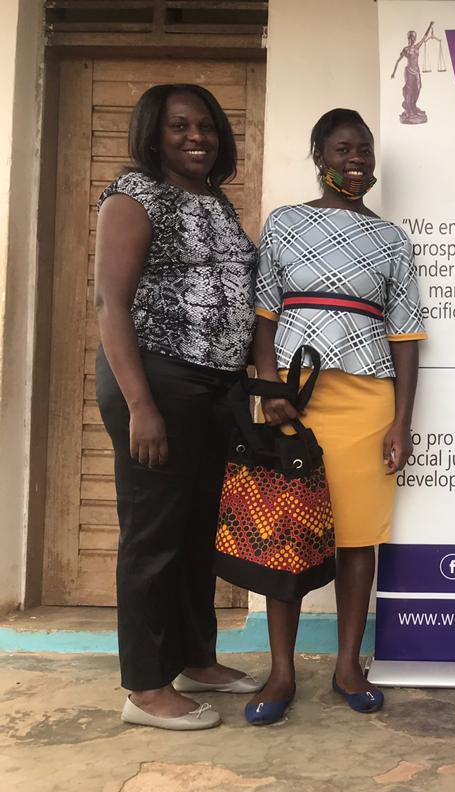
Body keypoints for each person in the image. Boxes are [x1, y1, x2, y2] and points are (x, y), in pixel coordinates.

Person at [244, 108, 425, 725]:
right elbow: (262, 318)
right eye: (344, 148)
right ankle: (282, 671)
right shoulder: (286, 224)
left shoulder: (393, 239)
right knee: (281, 533)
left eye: (365, 151)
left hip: (367, 401)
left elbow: (405, 336)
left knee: (357, 537)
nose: (357, 160)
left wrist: (402, 420)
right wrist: (270, 392)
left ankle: (349, 665)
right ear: (319, 153)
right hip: (293, 398)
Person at [94, 84, 261, 730]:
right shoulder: (134, 197)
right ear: (152, 135)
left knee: (196, 532)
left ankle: (197, 658)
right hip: (158, 384)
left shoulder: (214, 201)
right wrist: (140, 403)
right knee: (154, 537)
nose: (197, 138)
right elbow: (112, 304)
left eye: (207, 127)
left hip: (214, 387)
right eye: (180, 128)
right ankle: (144, 686)